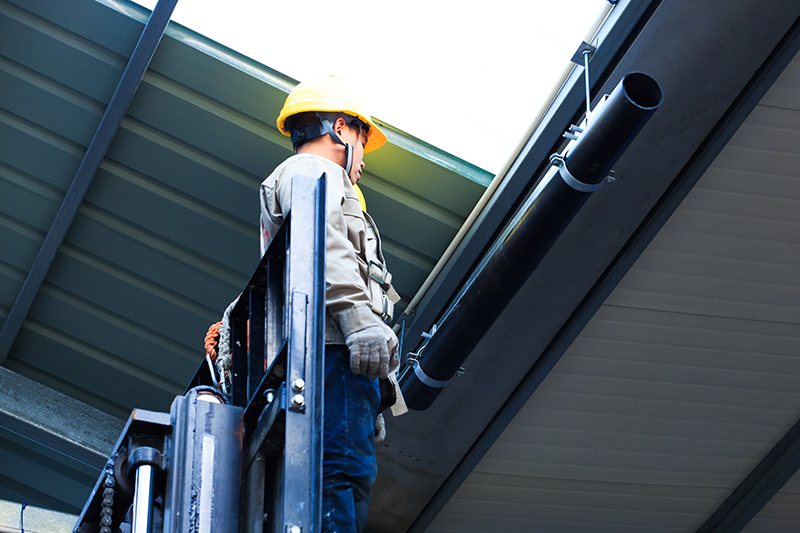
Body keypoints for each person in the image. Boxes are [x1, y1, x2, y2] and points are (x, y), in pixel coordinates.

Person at [260, 74, 404, 533]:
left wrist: (374, 397)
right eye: (364, 138)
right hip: (331, 352)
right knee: (339, 474)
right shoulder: (313, 172)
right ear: (341, 129)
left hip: (336, 361)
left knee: (343, 474)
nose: (364, 161)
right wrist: (360, 321)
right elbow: (323, 246)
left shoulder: (313, 178)